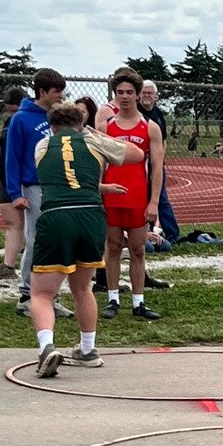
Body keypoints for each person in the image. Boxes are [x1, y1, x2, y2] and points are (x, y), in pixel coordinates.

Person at [27, 102, 147, 378]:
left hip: (57, 216)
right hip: (91, 216)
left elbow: (63, 176)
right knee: (83, 288)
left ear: (52, 126)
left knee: (42, 293)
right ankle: (87, 349)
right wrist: (98, 135)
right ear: (81, 124)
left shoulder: (43, 146)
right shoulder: (93, 143)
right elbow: (137, 154)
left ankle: (47, 347)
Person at [5, 68, 75, 317]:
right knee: (36, 239)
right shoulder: (21, 119)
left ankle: (50, 295)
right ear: (42, 91)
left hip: (59, 186)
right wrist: (15, 192)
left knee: (58, 239)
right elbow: (11, 158)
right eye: (56, 91)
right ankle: (26, 295)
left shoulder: (59, 117)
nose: (61, 95)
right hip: (34, 186)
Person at [96, 67, 164, 321]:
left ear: (137, 95)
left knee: (137, 249)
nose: (125, 96)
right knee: (112, 247)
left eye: (129, 92)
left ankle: (138, 302)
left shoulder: (150, 128)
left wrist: (154, 202)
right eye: (120, 92)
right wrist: (98, 192)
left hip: (137, 196)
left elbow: (157, 168)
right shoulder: (105, 127)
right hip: (112, 196)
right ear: (115, 94)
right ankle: (112, 298)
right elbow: (98, 165)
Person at [0, 86, 28, 281]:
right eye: (9, 110)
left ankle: (29, 264)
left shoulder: (25, 121)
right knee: (12, 223)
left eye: (15, 110)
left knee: (26, 224)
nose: (12, 114)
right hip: (6, 177)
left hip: (23, 178)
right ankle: (8, 265)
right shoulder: (9, 121)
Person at [138, 80, 180, 242]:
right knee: (142, 198)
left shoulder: (159, 114)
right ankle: (145, 233)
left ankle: (172, 234)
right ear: (139, 95)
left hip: (156, 165)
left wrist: (160, 160)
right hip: (140, 164)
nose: (147, 96)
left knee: (161, 199)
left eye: (150, 93)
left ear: (155, 96)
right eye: (144, 93)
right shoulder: (137, 114)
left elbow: (163, 140)